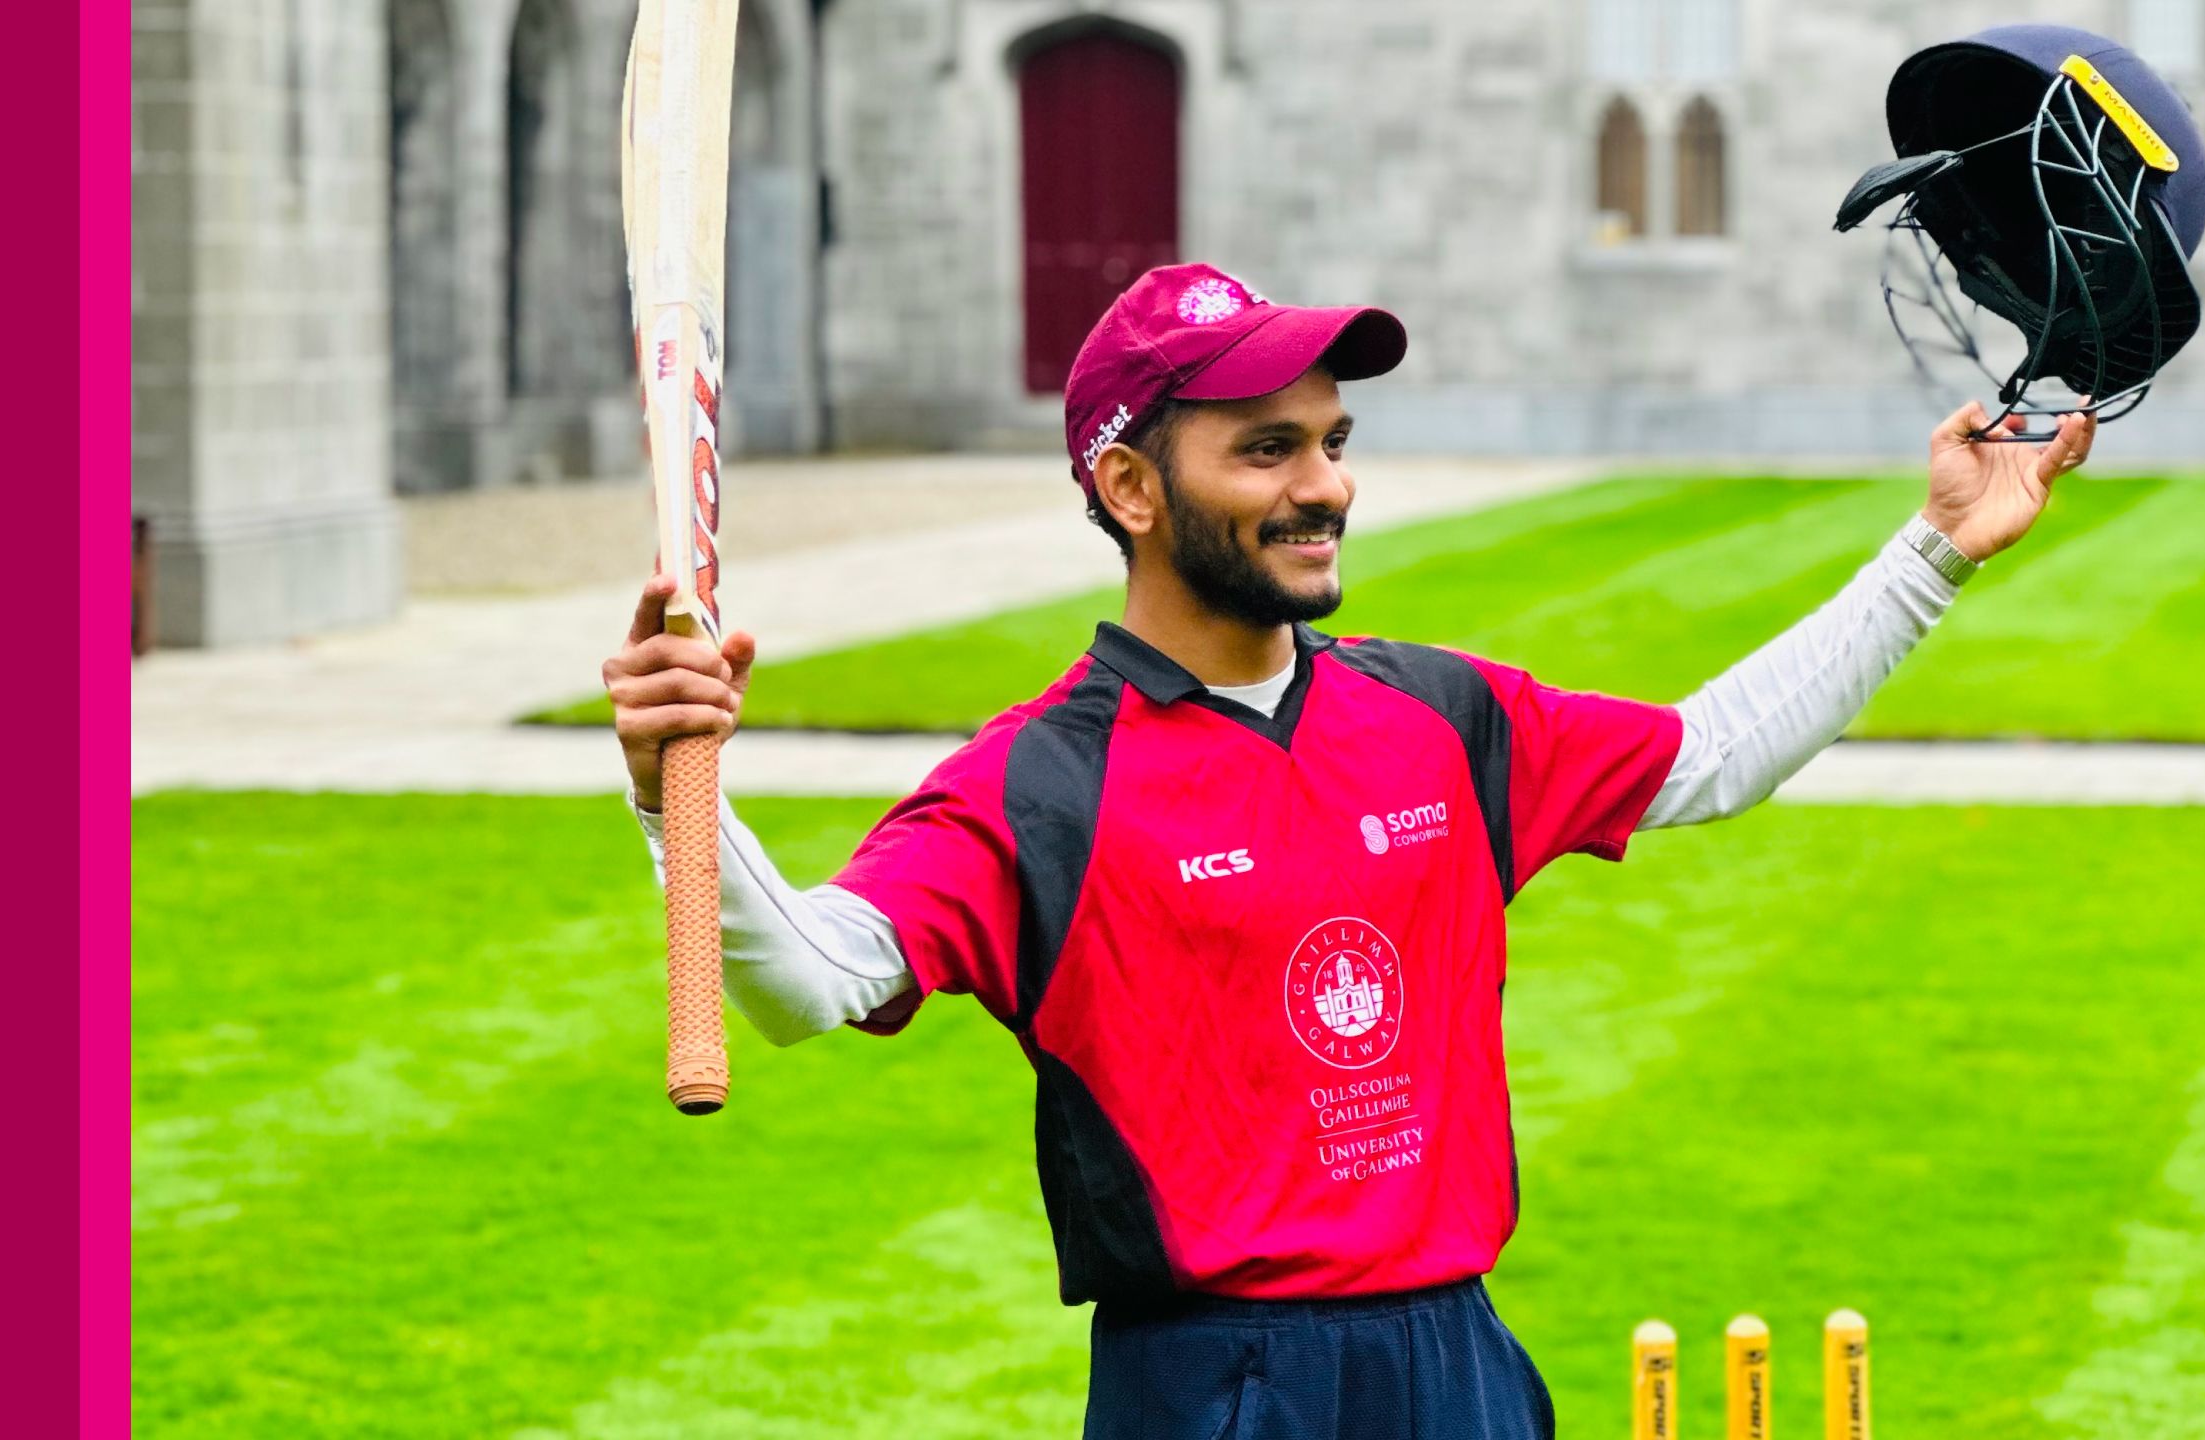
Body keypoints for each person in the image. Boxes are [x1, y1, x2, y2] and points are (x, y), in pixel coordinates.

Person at [602, 262, 2094, 1439]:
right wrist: (679, 789)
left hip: (1460, 1360)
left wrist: (1936, 549)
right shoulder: (1036, 787)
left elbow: (1706, 756)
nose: (1324, 486)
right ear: (1129, 488)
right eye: (1265, 449)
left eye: (1330, 442)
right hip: (1215, 1388)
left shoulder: (1433, 711)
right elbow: (811, 979)